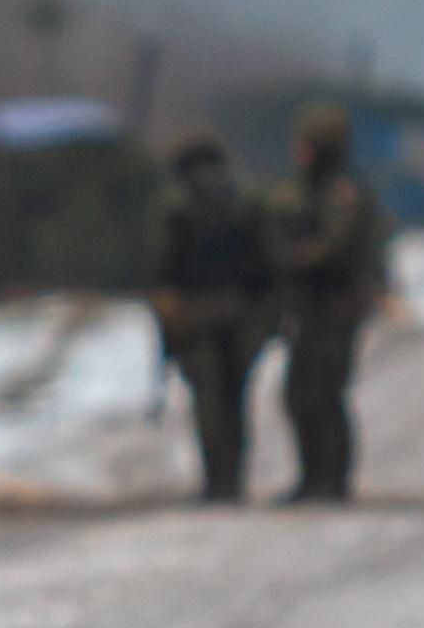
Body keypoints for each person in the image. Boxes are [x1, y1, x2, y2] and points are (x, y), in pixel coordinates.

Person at [264, 100, 389, 504]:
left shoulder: (342, 194)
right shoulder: (303, 191)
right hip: (310, 304)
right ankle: (312, 475)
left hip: (337, 304)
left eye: (307, 145)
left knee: (326, 389)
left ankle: (331, 479)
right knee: (300, 392)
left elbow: (334, 247)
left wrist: (289, 258)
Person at [150, 129, 272, 503]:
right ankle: (235, 478)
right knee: (236, 396)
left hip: (198, 314)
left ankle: (217, 481)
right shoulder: (247, 200)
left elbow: (164, 267)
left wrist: (167, 315)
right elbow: (267, 260)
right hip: (241, 311)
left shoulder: (179, 206)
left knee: (208, 400)